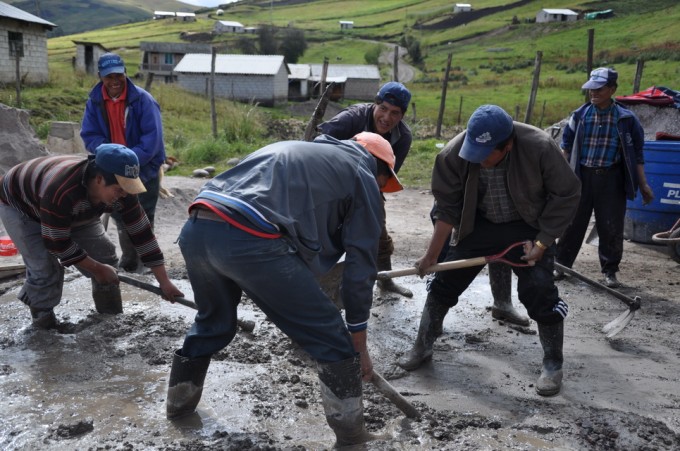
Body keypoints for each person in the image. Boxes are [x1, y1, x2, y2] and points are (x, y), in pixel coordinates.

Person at [167, 132, 402, 446]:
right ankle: (352, 436)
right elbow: (361, 263)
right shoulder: (362, 173)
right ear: (380, 170)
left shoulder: (302, 153)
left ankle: (179, 407)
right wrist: (357, 338)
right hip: (250, 242)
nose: (380, 189)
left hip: (197, 230)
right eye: (383, 183)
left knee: (213, 324)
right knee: (333, 339)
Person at [397, 105, 580, 397]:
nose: (477, 160)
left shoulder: (539, 146)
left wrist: (543, 242)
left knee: (539, 290)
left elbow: (567, 193)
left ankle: (553, 363)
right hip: (478, 224)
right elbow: (447, 208)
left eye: (485, 155)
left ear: (506, 146)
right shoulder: (453, 154)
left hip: (529, 226)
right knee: (444, 282)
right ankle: (422, 345)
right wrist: (432, 255)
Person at [0, 144, 183, 329]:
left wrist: (164, 282)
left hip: (72, 207)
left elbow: (142, 233)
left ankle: (109, 317)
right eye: (119, 189)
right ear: (99, 179)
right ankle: (43, 327)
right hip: (21, 204)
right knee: (45, 268)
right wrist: (96, 269)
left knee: (104, 256)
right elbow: (57, 243)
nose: (125, 194)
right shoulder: (60, 190)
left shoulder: (123, 192)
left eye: (128, 188)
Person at [554, 67, 654, 288]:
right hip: (581, 178)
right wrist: (561, 179)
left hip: (611, 180)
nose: (593, 93)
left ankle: (609, 271)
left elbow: (637, 155)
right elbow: (566, 148)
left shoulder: (626, 119)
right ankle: (561, 265)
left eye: (599, 89)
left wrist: (644, 184)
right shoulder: (579, 116)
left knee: (610, 226)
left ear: (612, 89)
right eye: (591, 89)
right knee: (572, 223)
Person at [318, 81, 414, 298]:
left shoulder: (402, 138)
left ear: (402, 115)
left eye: (395, 113)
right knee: (321, 230)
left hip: (369, 184)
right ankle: (310, 279)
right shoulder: (351, 119)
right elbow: (318, 143)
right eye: (383, 109)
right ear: (375, 104)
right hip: (331, 181)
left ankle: (385, 280)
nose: (387, 118)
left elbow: (384, 178)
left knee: (377, 229)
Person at [81, 52, 167, 273]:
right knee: (120, 214)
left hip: (144, 168)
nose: (115, 81)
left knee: (144, 216)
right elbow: (90, 136)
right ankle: (130, 261)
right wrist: (110, 157)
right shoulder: (95, 101)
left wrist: (127, 161)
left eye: (118, 75)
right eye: (109, 77)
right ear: (100, 76)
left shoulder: (143, 100)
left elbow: (152, 140)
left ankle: (146, 263)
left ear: (125, 74)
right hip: (111, 168)